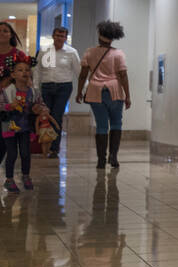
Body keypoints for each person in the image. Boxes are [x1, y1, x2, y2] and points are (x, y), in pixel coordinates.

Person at [76, 20, 131, 170]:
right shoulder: (118, 54)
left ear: (99, 35)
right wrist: (128, 95)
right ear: (113, 37)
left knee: (101, 125)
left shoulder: (89, 52)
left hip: (95, 92)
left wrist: (79, 92)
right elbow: (123, 75)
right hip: (115, 92)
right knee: (116, 123)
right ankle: (113, 157)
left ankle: (101, 160)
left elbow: (82, 75)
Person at [33, 25, 78, 158]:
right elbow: (37, 70)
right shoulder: (43, 50)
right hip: (46, 87)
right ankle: (44, 146)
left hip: (64, 87)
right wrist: (36, 89)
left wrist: (85, 88)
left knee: (57, 115)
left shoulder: (71, 52)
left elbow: (79, 71)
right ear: (53, 36)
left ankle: (54, 148)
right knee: (45, 115)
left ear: (66, 38)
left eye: (62, 35)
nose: (60, 38)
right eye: (57, 35)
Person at [2, 58, 41, 191]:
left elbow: (40, 105)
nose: (24, 72)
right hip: (9, 127)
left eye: (27, 70)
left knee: (25, 153)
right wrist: (9, 106)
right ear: (13, 75)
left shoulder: (33, 91)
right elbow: (1, 105)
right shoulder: (7, 91)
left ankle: (26, 176)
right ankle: (9, 179)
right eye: (20, 70)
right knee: (12, 154)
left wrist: (39, 109)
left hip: (25, 127)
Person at [0, 20, 28, 91]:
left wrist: (9, 79)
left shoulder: (19, 55)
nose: (1, 33)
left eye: (5, 31)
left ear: (11, 35)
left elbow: (26, 76)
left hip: (13, 96)